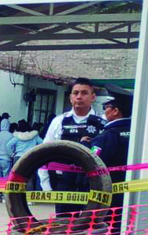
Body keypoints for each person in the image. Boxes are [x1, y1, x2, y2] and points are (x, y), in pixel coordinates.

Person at [44, 77, 105, 212]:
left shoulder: (102, 122)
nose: (79, 97)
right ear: (70, 97)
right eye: (76, 93)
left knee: (91, 222)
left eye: (84, 93)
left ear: (93, 97)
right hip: (64, 181)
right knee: (65, 222)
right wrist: (46, 184)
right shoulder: (59, 121)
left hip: (93, 182)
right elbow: (44, 153)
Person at [92, 95, 133, 235]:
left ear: (115, 111)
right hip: (129, 196)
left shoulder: (109, 135)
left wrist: (86, 144)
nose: (104, 112)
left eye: (106, 108)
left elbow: (93, 162)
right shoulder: (135, 131)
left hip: (107, 198)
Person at [0, 118, 14, 199]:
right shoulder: (11, 135)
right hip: (7, 160)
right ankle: (5, 195)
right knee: (6, 178)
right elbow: (12, 147)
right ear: (8, 125)